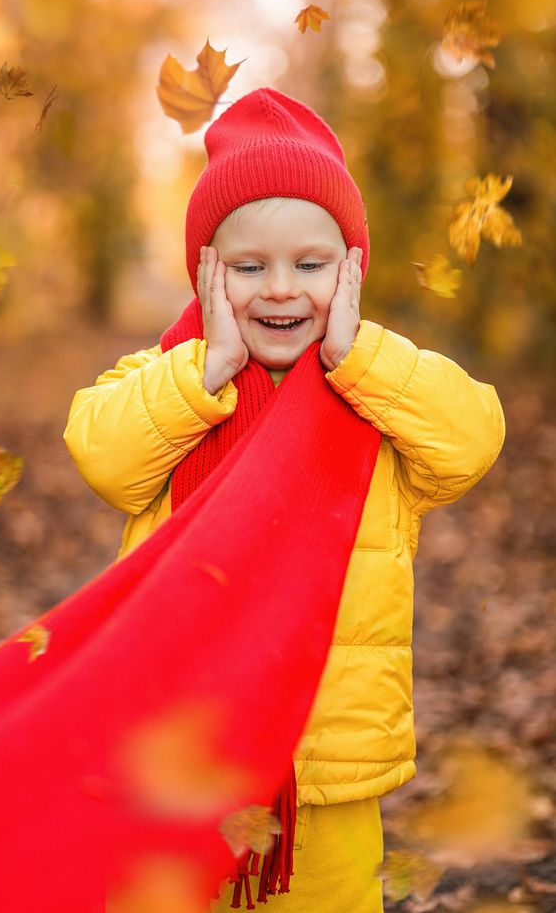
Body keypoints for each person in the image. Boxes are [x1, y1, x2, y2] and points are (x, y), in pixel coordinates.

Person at [63, 88, 505, 913]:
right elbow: (103, 453)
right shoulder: (175, 384)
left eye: (310, 265)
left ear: (351, 270)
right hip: (181, 759)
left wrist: (356, 353)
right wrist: (205, 368)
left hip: (325, 773)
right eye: (248, 267)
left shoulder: (375, 399)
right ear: (205, 271)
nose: (279, 291)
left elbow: (472, 437)